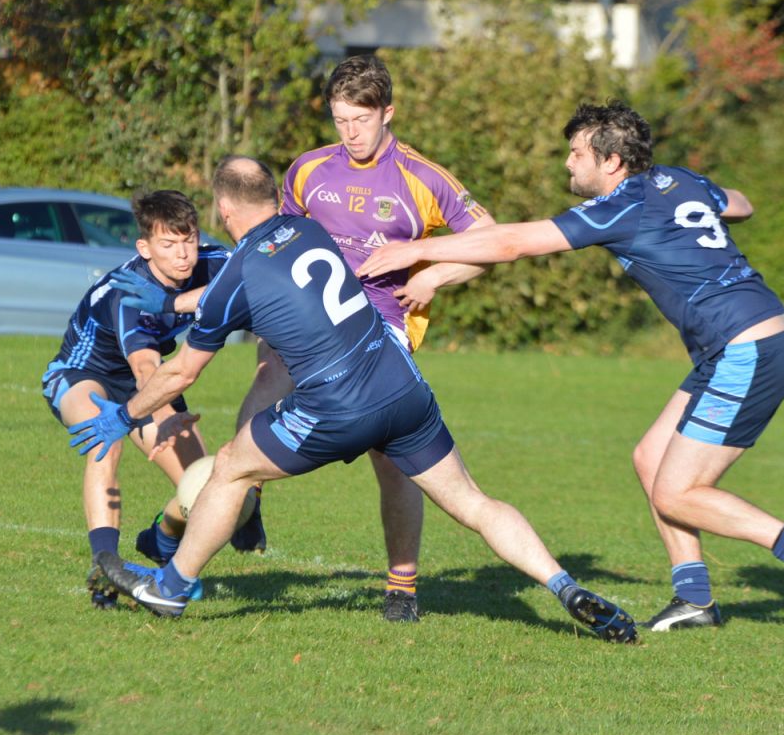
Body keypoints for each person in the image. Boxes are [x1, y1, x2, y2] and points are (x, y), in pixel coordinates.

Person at [71, 156, 637, 643]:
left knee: (229, 470)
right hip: (402, 384)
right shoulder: (314, 230)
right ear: (275, 196)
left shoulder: (236, 271)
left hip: (335, 404)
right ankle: (564, 586)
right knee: (472, 502)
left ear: (224, 212)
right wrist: (175, 307)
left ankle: (170, 588)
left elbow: (178, 375)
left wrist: (124, 415)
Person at [357, 102, 784, 635]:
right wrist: (698, 209)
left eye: (576, 153)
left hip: (746, 349)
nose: (567, 164)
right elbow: (742, 204)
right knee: (649, 458)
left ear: (611, 162)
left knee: (677, 491)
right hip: (742, 342)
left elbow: (513, 242)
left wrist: (418, 249)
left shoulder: (623, 205)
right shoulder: (675, 181)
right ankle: (695, 598)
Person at [230, 54, 497, 623]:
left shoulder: (422, 178)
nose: (350, 133)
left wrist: (432, 271)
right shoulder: (307, 171)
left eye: (361, 119)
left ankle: (402, 582)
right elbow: (277, 236)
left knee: (392, 456)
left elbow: (491, 240)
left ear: (388, 112)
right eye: (340, 120)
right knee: (267, 371)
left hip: (381, 328)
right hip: (309, 315)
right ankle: (246, 496)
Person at [42, 189, 232, 609]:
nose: (183, 254)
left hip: (146, 381)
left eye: (189, 240)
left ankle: (161, 537)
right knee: (102, 441)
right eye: (169, 244)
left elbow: (259, 277)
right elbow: (146, 370)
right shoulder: (130, 291)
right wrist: (162, 410)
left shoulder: (214, 262)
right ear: (144, 248)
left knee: (204, 485)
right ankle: (104, 565)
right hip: (82, 375)